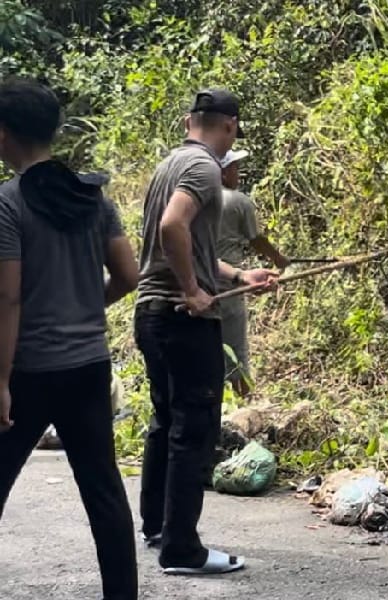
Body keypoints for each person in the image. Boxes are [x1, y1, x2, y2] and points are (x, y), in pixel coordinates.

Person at [0, 78, 139, 599]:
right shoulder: (92, 196)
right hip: (87, 365)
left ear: (3, 134)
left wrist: (0, 379)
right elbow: (128, 275)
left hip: (30, 368)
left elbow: (7, 298)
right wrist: (85, 306)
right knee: (103, 491)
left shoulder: (8, 204)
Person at [134, 88, 277, 575]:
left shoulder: (169, 165)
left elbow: (185, 243)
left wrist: (238, 276)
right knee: (193, 431)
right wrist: (195, 291)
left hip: (152, 313)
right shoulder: (203, 168)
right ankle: (182, 550)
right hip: (182, 317)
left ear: (186, 120)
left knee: (166, 421)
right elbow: (172, 229)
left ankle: (158, 527)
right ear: (230, 126)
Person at [216, 148, 289, 396]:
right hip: (228, 284)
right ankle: (242, 402)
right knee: (236, 351)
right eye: (234, 167)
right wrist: (278, 258)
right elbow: (256, 239)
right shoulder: (238, 201)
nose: (239, 172)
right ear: (223, 173)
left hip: (198, 285)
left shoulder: (194, 200)